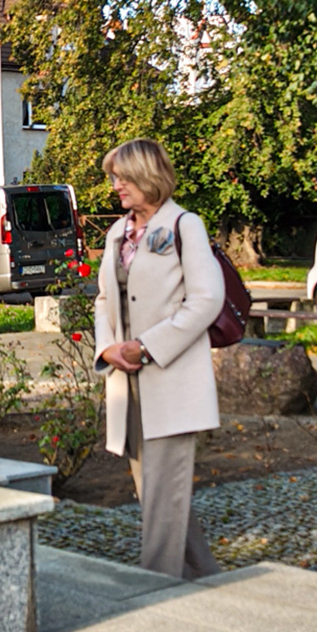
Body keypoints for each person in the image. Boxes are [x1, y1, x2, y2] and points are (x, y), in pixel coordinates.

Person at [94, 138, 225, 579]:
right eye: (114, 178)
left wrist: (148, 347)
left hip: (171, 380)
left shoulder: (186, 225)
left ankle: (155, 586)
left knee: (162, 495)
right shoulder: (117, 233)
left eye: (122, 177)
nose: (116, 185)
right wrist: (108, 347)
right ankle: (207, 578)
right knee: (155, 492)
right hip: (126, 383)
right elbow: (102, 299)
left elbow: (206, 300)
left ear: (147, 175)